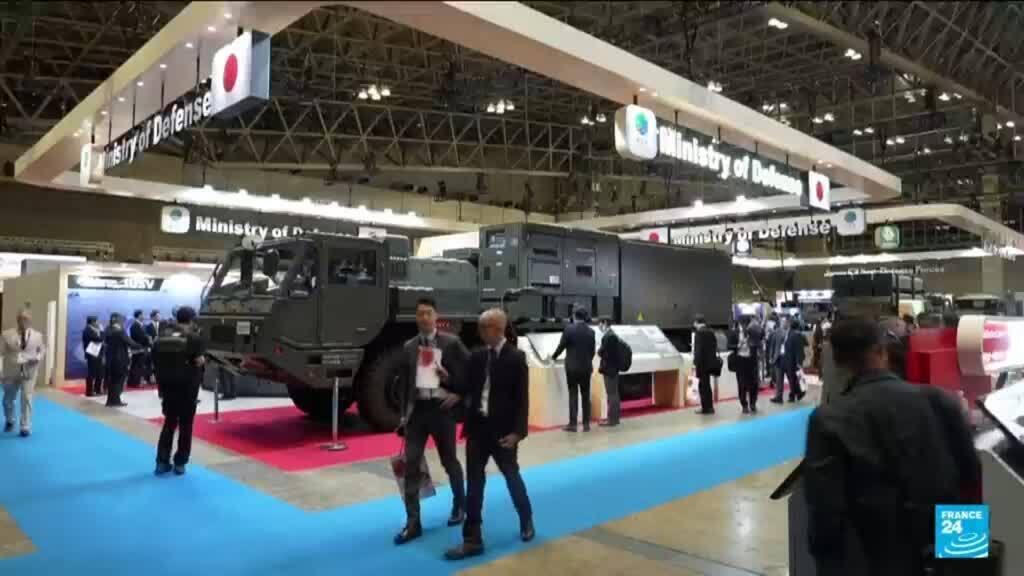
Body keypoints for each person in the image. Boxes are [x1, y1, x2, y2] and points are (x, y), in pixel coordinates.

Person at [804, 316, 980, 575]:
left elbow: (825, 511)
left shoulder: (828, 420)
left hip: (875, 559)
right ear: (881, 351)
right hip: (944, 552)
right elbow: (971, 477)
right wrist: (964, 555)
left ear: (837, 360)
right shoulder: (939, 400)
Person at [445, 309, 533, 561]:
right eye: (480, 327)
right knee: (474, 484)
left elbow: (522, 399)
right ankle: (472, 539)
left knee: (511, 476)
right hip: (477, 430)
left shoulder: (516, 358)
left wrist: (518, 433)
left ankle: (526, 518)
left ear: (497, 328)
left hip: (504, 433)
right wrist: (446, 381)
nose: (480, 332)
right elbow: (465, 386)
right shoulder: (477, 356)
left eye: (484, 327)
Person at [393, 297, 470, 545]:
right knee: (411, 465)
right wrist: (403, 414)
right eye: (420, 313)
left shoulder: (452, 343)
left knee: (449, 461)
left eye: (428, 313)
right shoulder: (409, 347)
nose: (424, 317)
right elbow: (403, 384)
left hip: (442, 411)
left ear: (436, 316)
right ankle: (413, 523)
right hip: (417, 413)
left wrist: (458, 393)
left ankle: (460, 505)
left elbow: (472, 373)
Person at [152, 307, 206, 476]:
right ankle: (180, 463)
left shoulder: (161, 337)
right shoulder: (194, 338)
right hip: (188, 388)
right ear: (192, 319)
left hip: (167, 387)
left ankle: (161, 462)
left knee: (169, 423)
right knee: (186, 426)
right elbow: (199, 361)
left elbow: (154, 360)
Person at [1, 308, 45, 437]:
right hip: (10, 371)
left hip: (29, 371)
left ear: (30, 320)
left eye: (26, 319)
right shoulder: (6, 334)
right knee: (8, 400)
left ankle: (25, 426)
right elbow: (0, 353)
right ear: (17, 320)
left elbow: (42, 350)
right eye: (21, 319)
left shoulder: (37, 336)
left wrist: (38, 358)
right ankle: (10, 419)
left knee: (27, 397)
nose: (23, 321)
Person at [550, 307, 596, 432]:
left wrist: (553, 357)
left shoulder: (569, 329)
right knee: (586, 395)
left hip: (572, 368)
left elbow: (561, 346)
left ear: (575, 316)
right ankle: (586, 424)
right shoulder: (591, 332)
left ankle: (573, 424)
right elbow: (592, 351)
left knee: (573, 394)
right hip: (586, 368)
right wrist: (587, 361)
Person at [105, 313, 140, 407]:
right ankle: (115, 401)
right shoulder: (120, 331)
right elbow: (129, 342)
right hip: (120, 359)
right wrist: (141, 346)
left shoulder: (108, 329)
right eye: (121, 319)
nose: (123, 321)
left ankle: (110, 401)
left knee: (112, 381)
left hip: (111, 359)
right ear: (117, 320)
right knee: (118, 381)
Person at [770, 317, 806, 404]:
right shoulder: (776, 332)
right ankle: (779, 397)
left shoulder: (795, 334)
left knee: (792, 378)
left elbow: (799, 349)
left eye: (785, 322)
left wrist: (799, 361)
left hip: (789, 359)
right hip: (779, 358)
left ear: (789, 323)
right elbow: (772, 345)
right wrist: (771, 356)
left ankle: (795, 394)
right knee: (779, 379)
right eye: (782, 322)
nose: (784, 323)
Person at [597, 317, 625, 427]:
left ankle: (612, 420)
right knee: (614, 394)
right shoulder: (612, 335)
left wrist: (599, 351)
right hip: (613, 369)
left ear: (604, 323)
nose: (599, 326)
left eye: (600, 324)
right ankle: (615, 418)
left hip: (609, 370)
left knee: (612, 394)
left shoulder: (609, 336)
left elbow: (602, 352)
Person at [732, 316, 763, 414]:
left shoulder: (754, 332)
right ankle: (744, 405)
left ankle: (753, 403)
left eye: (747, 324)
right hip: (740, 360)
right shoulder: (735, 333)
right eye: (743, 324)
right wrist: (738, 345)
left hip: (752, 360)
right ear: (740, 324)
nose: (745, 326)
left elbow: (760, 341)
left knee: (754, 383)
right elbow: (730, 345)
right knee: (742, 384)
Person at [692, 314, 719, 415]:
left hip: (702, 364)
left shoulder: (699, 333)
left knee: (703, 386)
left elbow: (698, 350)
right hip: (710, 363)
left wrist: (696, 362)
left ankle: (705, 408)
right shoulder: (711, 332)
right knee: (707, 385)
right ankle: (710, 406)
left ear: (697, 322)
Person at [82, 315, 105, 397]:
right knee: (91, 373)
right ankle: (89, 391)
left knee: (100, 372)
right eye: (97, 321)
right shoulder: (87, 330)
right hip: (92, 353)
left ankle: (97, 389)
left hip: (98, 353)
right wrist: (101, 331)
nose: (98, 323)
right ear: (92, 322)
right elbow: (99, 339)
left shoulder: (94, 329)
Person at [128, 310, 152, 387]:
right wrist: (147, 338)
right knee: (136, 365)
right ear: (138, 316)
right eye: (142, 315)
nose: (143, 316)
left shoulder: (141, 325)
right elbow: (137, 337)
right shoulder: (134, 325)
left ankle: (135, 381)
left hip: (142, 348)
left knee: (139, 365)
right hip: (138, 348)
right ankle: (135, 382)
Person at [146, 310, 161, 383]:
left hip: (161, 348)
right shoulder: (148, 326)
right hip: (152, 348)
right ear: (153, 317)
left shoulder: (162, 325)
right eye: (157, 316)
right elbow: (148, 338)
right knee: (152, 363)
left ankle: (159, 378)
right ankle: (151, 378)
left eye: (159, 316)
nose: (159, 317)